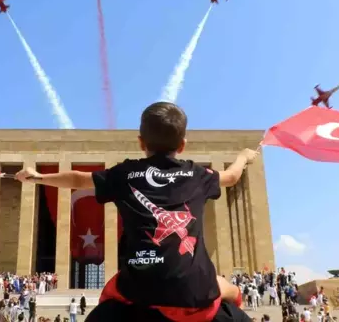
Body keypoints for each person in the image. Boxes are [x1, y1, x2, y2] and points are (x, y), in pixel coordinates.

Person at [15, 101, 256, 322]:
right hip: (194, 289)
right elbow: (233, 176)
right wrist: (244, 156)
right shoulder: (197, 175)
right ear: (183, 145)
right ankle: (229, 290)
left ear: (141, 142)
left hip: (141, 287)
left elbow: (78, 180)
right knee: (221, 286)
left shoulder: (125, 173)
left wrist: (39, 177)